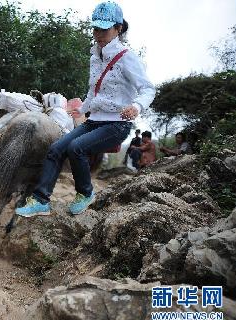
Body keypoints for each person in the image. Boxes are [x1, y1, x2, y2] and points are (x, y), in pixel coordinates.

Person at [15, 1, 156, 217]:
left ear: (118, 29)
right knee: (56, 149)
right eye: (96, 28)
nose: (98, 34)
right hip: (93, 120)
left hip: (116, 124)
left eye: (104, 29)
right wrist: (82, 110)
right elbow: (94, 91)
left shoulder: (127, 57)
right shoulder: (95, 56)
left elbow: (148, 88)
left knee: (76, 147)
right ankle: (41, 200)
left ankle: (86, 193)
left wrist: (136, 106)